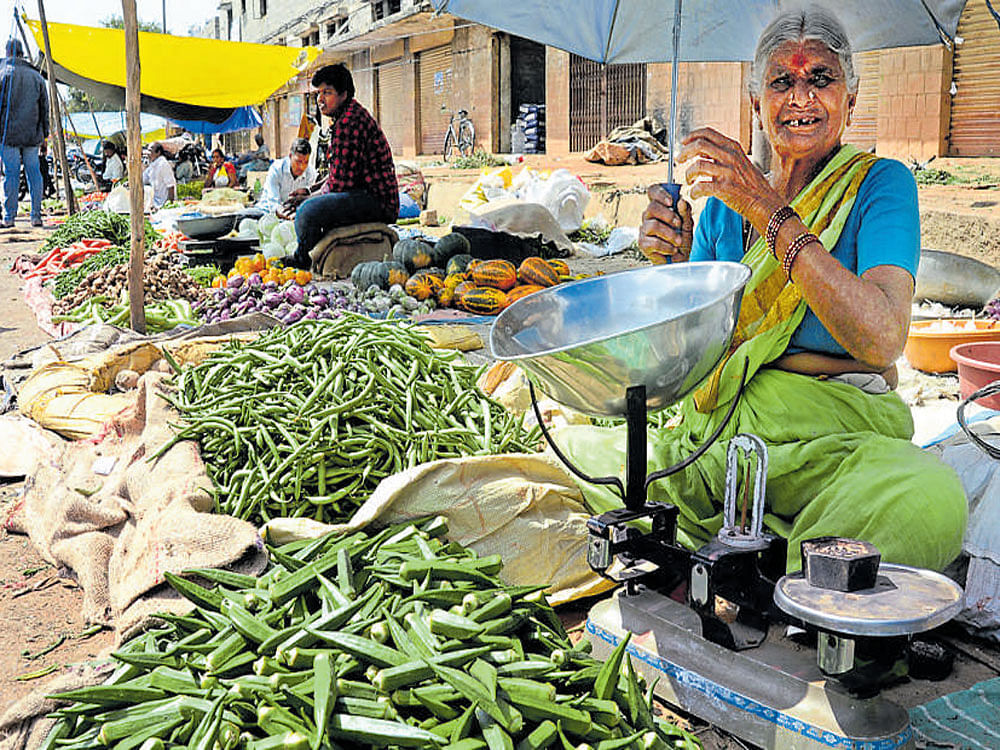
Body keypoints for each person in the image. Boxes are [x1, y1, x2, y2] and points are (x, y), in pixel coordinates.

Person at [559, 7, 966, 575]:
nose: (800, 97)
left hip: (830, 451)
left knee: (929, 500)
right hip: (715, 449)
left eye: (820, 79)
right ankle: (791, 568)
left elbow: (880, 337)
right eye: (782, 81)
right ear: (757, 105)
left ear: (850, 101)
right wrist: (673, 270)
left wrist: (773, 216)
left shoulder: (879, 185)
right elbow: (691, 357)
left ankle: (763, 565)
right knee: (573, 456)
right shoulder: (724, 207)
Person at [286, 63, 398, 269]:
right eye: (318, 93)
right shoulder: (345, 117)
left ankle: (302, 258)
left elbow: (340, 185)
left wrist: (309, 199)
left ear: (343, 94)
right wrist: (311, 189)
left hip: (377, 202)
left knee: (307, 212)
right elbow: (337, 173)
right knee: (310, 204)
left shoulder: (349, 123)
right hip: (362, 194)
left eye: (327, 93)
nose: (320, 99)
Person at [0, 39, 48, 228]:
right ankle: (36, 216)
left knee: (11, 174)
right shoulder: (36, 77)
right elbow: (45, 108)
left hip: (8, 135)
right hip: (32, 135)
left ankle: (9, 217)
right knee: (34, 173)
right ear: (22, 53)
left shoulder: (3, 73)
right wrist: (44, 135)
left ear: (7, 51)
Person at [257, 138, 317, 213]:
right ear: (290, 156)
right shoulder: (277, 169)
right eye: (298, 162)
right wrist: (285, 213)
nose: (302, 167)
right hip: (266, 211)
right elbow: (273, 203)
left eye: (306, 162)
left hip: (293, 215)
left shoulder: (311, 173)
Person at [142, 142, 176, 208]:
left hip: (163, 202)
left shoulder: (163, 164)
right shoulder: (152, 164)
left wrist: (170, 204)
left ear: (158, 153)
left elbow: (171, 185)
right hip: (155, 202)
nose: (148, 153)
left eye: (150, 151)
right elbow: (143, 179)